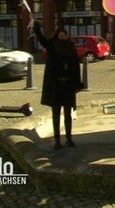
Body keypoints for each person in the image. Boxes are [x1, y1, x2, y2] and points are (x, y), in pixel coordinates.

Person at [33, 21, 83, 150]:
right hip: (56, 85)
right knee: (56, 114)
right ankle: (57, 140)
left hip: (68, 86)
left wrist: (78, 84)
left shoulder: (71, 48)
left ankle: (69, 137)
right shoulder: (52, 47)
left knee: (68, 113)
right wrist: (36, 27)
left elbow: (76, 67)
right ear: (57, 36)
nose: (62, 38)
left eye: (64, 36)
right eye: (60, 36)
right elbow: (42, 39)